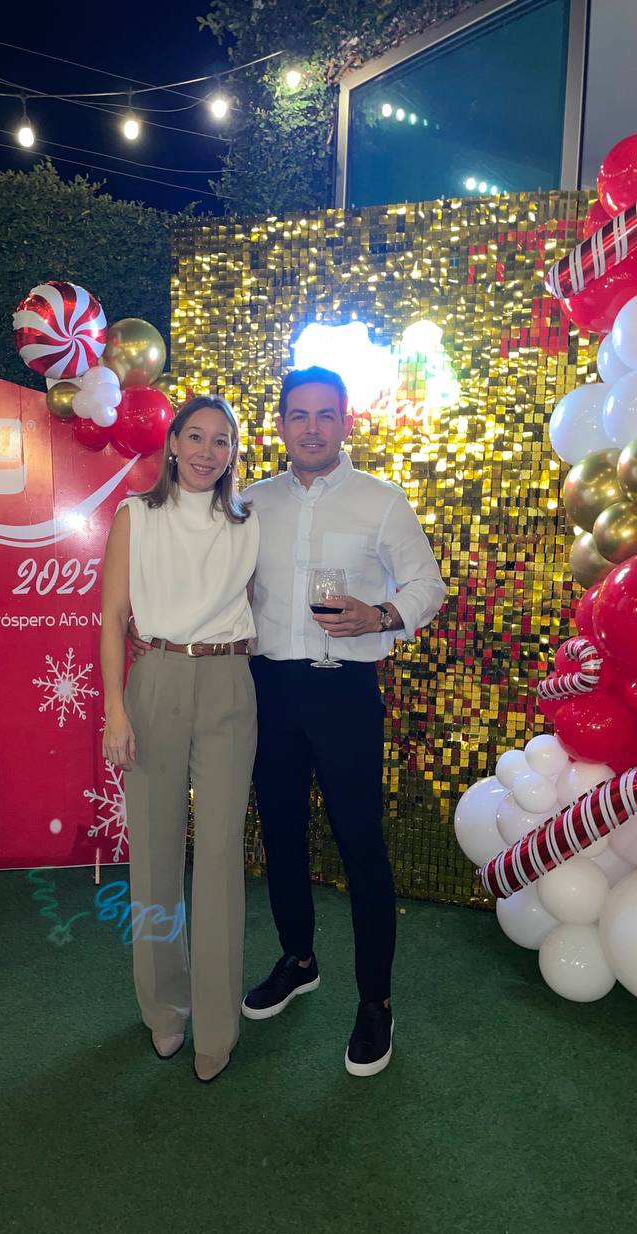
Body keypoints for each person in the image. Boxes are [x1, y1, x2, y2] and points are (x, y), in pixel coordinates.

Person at [240, 365, 447, 1077]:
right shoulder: (251, 502)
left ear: (345, 423)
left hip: (345, 692)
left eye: (325, 415)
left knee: (361, 845)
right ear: (281, 425)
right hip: (269, 688)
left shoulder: (381, 501)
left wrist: (380, 615)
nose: (312, 428)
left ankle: (375, 1002)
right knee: (281, 833)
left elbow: (428, 585)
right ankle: (298, 960)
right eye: (299, 415)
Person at [100, 395, 259, 1084]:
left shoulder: (249, 519)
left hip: (229, 682)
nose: (206, 451)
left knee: (220, 855)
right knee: (156, 855)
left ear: (233, 453)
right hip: (156, 679)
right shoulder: (135, 514)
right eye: (195, 436)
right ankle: (164, 1008)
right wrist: (115, 708)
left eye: (222, 441)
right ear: (172, 443)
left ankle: (217, 1028)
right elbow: (112, 617)